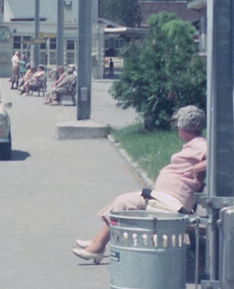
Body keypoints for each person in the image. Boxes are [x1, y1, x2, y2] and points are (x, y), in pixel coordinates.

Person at [72, 105, 208, 263]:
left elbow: (216, 158)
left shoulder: (199, 143)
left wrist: (198, 167)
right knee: (122, 201)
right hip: (162, 196)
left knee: (124, 203)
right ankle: (97, 242)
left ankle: (98, 247)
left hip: (170, 201)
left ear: (184, 127)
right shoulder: (194, 143)